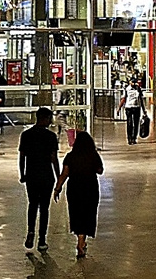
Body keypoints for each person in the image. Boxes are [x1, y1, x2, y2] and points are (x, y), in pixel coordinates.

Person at [54, 131, 104, 258]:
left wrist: (57, 189)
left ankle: (80, 240)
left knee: (77, 213)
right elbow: (100, 171)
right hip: (90, 187)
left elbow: (64, 174)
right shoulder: (93, 155)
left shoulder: (70, 156)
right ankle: (81, 242)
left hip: (74, 188)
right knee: (88, 213)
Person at [17, 107, 60, 251]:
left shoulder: (26, 135)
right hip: (47, 176)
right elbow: (54, 158)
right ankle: (42, 239)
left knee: (32, 204)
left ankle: (30, 232)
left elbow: (22, 156)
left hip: (31, 175)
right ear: (46, 118)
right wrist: (58, 177)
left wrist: (22, 174)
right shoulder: (51, 137)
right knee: (45, 208)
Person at [122, 79, 144, 144]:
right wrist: (119, 107)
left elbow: (141, 99)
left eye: (135, 82)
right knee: (129, 123)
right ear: (130, 82)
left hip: (136, 107)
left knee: (136, 123)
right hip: (128, 107)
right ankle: (129, 138)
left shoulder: (138, 89)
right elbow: (124, 98)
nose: (134, 84)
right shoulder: (127, 89)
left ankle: (134, 138)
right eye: (132, 82)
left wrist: (143, 109)